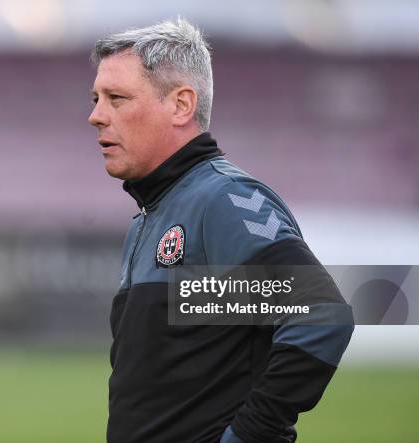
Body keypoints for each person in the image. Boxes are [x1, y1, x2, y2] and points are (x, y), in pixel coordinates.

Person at [88, 18, 354, 443]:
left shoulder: (225, 199)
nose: (95, 116)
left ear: (180, 105)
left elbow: (320, 313)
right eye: (97, 98)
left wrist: (250, 435)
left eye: (116, 98)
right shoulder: (148, 219)